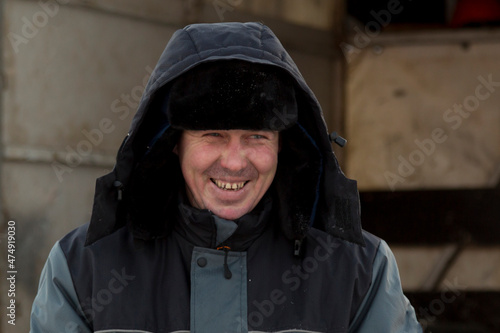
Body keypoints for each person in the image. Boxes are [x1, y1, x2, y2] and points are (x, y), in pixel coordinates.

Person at [30, 22, 422, 332]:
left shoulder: (358, 271)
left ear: (284, 145)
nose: (235, 163)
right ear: (173, 144)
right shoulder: (83, 268)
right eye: (212, 135)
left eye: (256, 136)